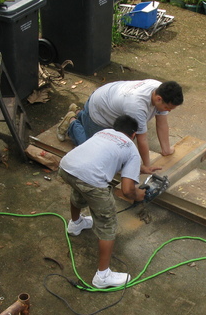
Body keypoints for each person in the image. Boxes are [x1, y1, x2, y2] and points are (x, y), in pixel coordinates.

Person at [58, 114, 147, 289]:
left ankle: (76, 224)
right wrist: (139, 195)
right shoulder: (130, 148)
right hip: (90, 180)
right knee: (107, 224)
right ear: (134, 135)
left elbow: (106, 157)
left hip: (66, 167)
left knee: (78, 190)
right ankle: (103, 276)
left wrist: (139, 168)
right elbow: (127, 190)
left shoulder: (104, 133)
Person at [57, 79, 184, 174]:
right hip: (100, 112)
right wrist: (146, 166)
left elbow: (162, 123)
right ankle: (72, 122)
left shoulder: (160, 89)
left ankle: (81, 114)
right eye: (168, 108)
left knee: (115, 147)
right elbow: (142, 139)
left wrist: (166, 149)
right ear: (158, 99)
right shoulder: (136, 106)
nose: (169, 111)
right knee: (93, 153)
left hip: (110, 103)